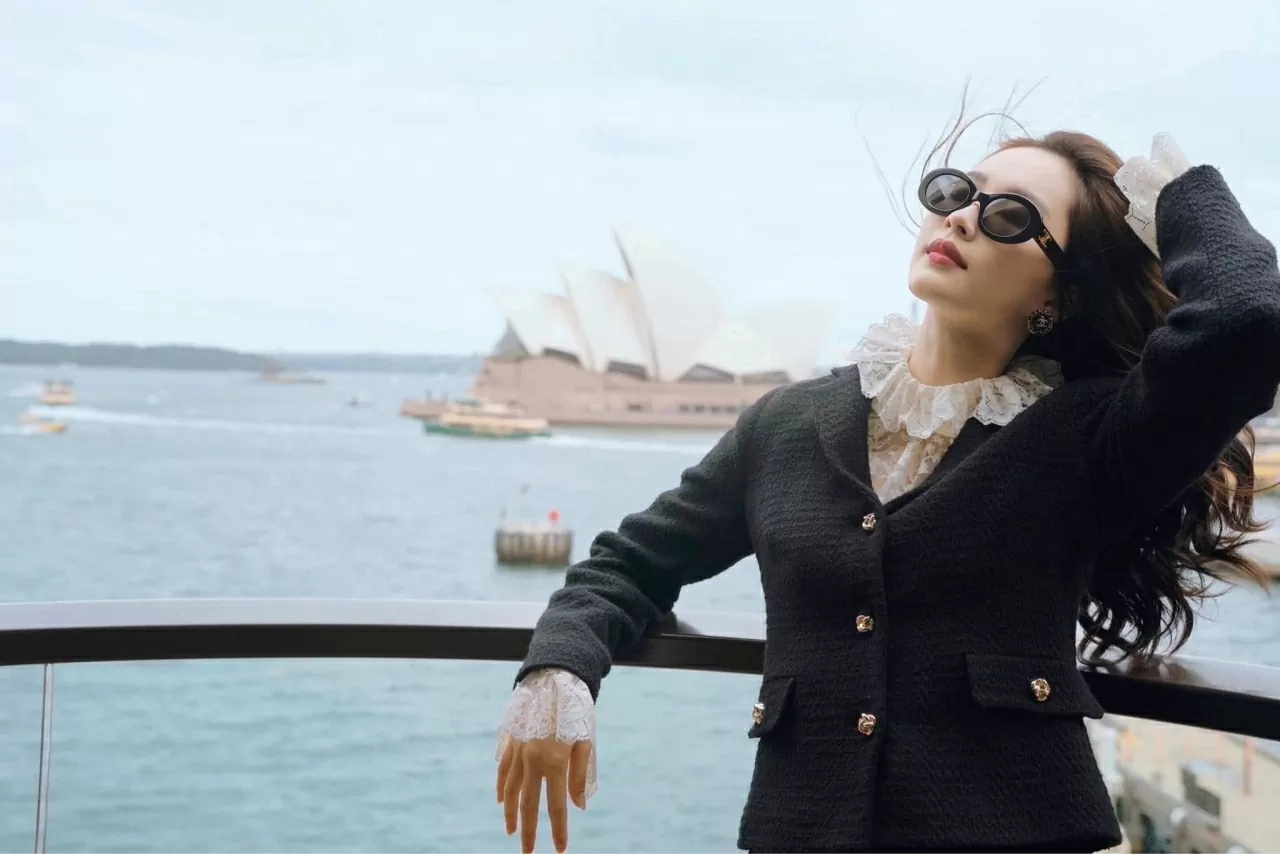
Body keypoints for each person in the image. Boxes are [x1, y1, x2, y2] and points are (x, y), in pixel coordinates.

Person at [494, 126, 1280, 853]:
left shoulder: (1094, 431)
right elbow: (630, 564)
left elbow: (1246, 322)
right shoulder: (784, 424)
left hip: (1018, 837)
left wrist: (1179, 198)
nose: (963, 217)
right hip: (800, 832)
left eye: (1010, 217)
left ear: (1056, 297)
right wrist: (560, 669)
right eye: (954, 192)